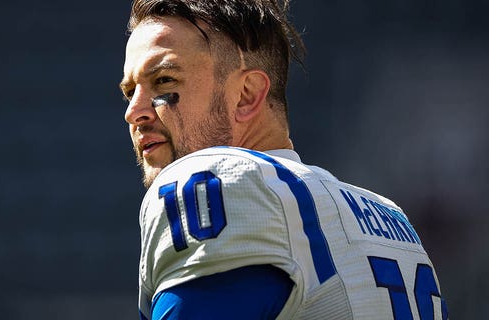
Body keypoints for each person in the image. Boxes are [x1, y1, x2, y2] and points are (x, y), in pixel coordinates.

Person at [119, 0, 448, 319]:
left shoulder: (213, 182)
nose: (133, 112)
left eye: (163, 80)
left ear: (246, 95)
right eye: (130, 91)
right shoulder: (391, 218)